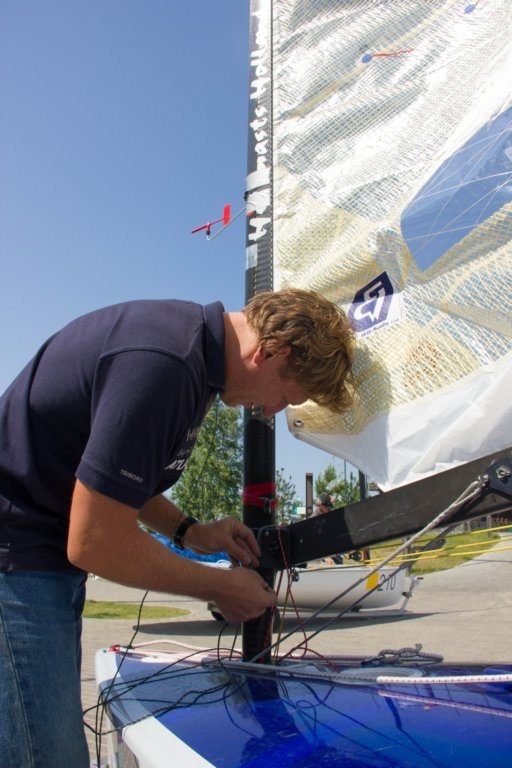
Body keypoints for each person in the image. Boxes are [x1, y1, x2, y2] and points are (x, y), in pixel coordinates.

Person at [0, 287, 354, 768]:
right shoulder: (163, 365)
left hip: (37, 554)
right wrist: (219, 587)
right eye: (286, 397)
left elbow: (116, 480)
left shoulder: (193, 364)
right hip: (15, 553)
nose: (271, 411)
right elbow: (94, 542)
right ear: (272, 352)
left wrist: (190, 530)